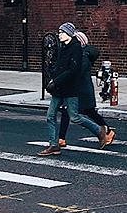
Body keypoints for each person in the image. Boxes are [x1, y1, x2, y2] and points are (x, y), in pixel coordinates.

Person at [38, 22, 111, 156]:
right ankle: (54, 145)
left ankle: (99, 130)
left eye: (62, 33)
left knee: (75, 117)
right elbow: (59, 67)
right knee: (50, 116)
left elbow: (73, 70)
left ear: (69, 34)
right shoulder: (63, 47)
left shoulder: (76, 49)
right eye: (59, 32)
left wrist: (56, 81)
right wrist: (52, 80)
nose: (59, 35)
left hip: (70, 90)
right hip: (59, 89)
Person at [58, 31, 115, 148]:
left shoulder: (83, 56)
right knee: (68, 111)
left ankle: (107, 131)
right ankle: (61, 138)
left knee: (88, 112)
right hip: (79, 89)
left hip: (82, 90)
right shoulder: (78, 54)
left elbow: (76, 72)